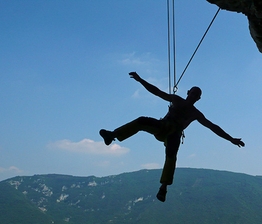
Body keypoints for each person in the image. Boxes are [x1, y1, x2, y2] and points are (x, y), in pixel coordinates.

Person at [100, 72, 244, 202]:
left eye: (196, 95)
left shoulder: (196, 114)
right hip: (162, 126)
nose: (193, 96)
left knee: (171, 154)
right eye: (192, 93)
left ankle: (163, 188)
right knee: (142, 121)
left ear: (198, 98)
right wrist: (140, 80)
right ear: (188, 92)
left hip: (173, 133)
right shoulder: (176, 100)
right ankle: (112, 135)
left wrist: (231, 139)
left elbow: (213, 127)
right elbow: (156, 92)